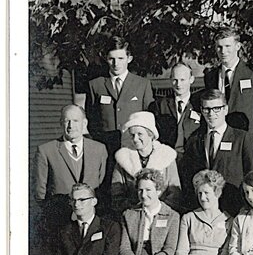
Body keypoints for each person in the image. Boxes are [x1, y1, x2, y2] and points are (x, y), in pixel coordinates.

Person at [179, 89, 253, 216]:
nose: (211, 114)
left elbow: (250, 174)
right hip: (204, 210)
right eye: (206, 109)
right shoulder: (195, 139)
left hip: (234, 208)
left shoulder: (241, 138)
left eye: (216, 109)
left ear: (225, 109)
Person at [34, 104, 108, 233]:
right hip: (59, 221)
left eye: (75, 121)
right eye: (66, 121)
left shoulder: (99, 149)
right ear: (61, 123)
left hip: (90, 220)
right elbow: (40, 192)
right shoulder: (46, 150)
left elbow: (101, 181)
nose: (70, 126)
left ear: (84, 123)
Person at [84, 36, 154, 154]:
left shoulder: (142, 84)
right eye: (112, 59)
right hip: (105, 148)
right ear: (106, 59)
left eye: (121, 58)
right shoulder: (96, 85)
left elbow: (148, 119)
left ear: (129, 58)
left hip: (133, 147)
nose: (116, 63)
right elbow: (91, 119)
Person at [202, 27, 253, 147]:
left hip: (247, 139)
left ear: (237, 46)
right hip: (219, 138)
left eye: (227, 46)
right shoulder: (211, 76)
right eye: (219, 47)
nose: (223, 51)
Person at [111, 111, 181, 211]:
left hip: (162, 214)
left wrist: (158, 210)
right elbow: (116, 193)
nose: (135, 139)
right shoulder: (123, 158)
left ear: (151, 135)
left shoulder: (166, 156)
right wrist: (133, 211)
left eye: (140, 134)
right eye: (132, 135)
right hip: (132, 214)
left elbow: (175, 193)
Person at [152, 61, 202, 154]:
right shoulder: (160, 105)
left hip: (193, 157)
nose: (178, 84)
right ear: (170, 80)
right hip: (167, 156)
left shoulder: (199, 104)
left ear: (191, 80)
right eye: (175, 80)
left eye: (182, 80)